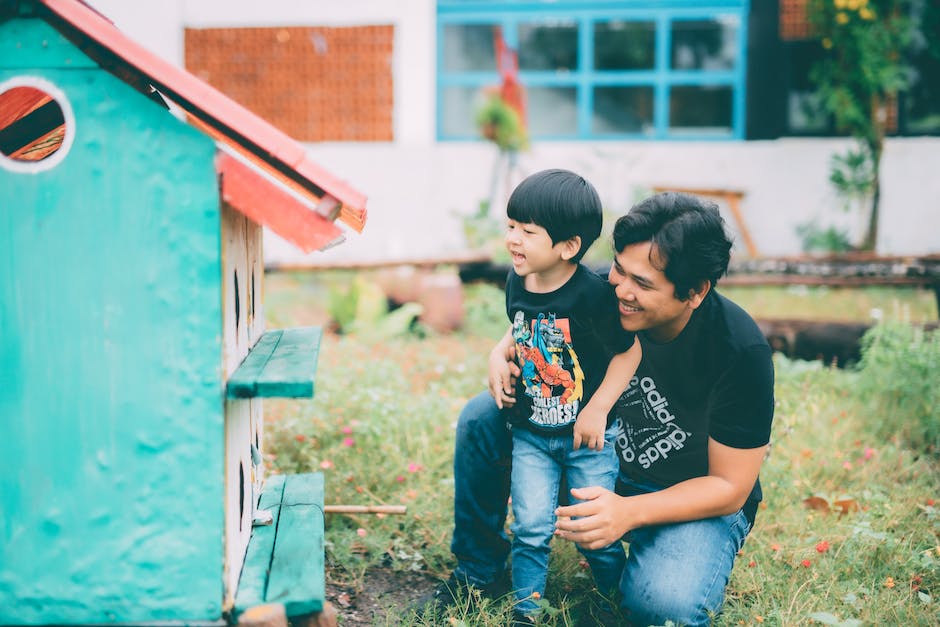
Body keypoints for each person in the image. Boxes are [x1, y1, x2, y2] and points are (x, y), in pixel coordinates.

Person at [423, 191, 775, 626]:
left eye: (642, 284)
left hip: (686, 497)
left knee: (663, 607)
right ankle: (478, 569)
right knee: (483, 416)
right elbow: (537, 315)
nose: (621, 290)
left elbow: (730, 487)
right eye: (618, 270)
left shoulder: (739, 351)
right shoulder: (597, 293)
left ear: (695, 291)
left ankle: (648, 556)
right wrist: (501, 350)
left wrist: (628, 513)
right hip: (588, 457)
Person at [489, 169, 642, 622]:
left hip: (587, 439)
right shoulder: (518, 281)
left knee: (596, 532)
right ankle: (525, 612)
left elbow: (629, 352)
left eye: (528, 232)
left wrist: (597, 410)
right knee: (531, 528)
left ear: (568, 246)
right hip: (531, 435)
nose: (513, 239)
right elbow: (521, 331)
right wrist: (499, 353)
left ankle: (620, 599)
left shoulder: (591, 296)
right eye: (511, 226)